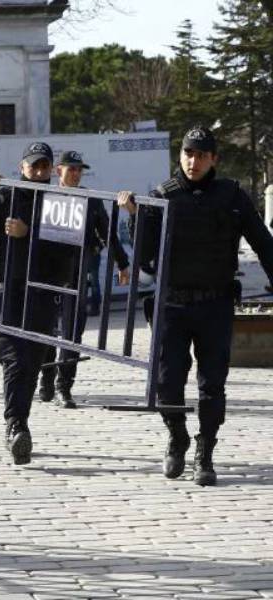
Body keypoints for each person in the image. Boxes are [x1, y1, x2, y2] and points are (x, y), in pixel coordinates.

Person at [117, 125, 273, 486]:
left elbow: (263, 242)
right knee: (167, 382)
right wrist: (134, 217)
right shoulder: (162, 196)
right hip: (171, 304)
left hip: (215, 304)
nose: (193, 160)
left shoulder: (232, 195)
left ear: (213, 159)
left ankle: (206, 452)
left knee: (212, 384)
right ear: (180, 156)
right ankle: (177, 437)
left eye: (201, 154)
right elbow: (143, 258)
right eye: (188, 153)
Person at [0, 142, 68, 465]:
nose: (38, 172)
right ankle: (16, 425)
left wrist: (28, 232)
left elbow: (67, 254)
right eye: (33, 166)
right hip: (8, 293)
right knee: (13, 359)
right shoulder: (4, 197)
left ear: (51, 170)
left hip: (42, 294)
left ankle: (17, 424)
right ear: (21, 167)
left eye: (44, 166)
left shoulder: (59, 202)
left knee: (30, 363)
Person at [38, 151, 131, 408]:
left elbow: (107, 233)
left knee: (72, 333)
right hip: (46, 273)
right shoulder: (45, 196)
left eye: (80, 170)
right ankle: (46, 378)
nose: (76, 174)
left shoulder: (90, 199)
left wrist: (122, 263)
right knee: (43, 328)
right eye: (71, 169)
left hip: (76, 274)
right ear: (59, 171)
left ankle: (63, 386)